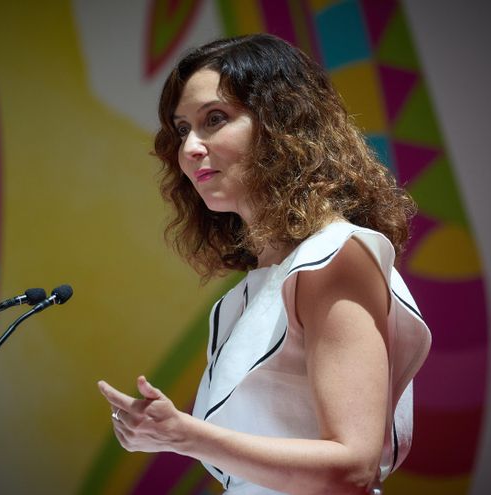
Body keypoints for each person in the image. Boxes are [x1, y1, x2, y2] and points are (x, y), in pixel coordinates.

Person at [97, 33, 431, 495]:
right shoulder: (250, 291)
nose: (191, 147)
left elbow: (353, 467)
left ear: (283, 123)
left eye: (215, 119)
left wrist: (185, 436)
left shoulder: (335, 256)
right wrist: (175, 436)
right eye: (181, 130)